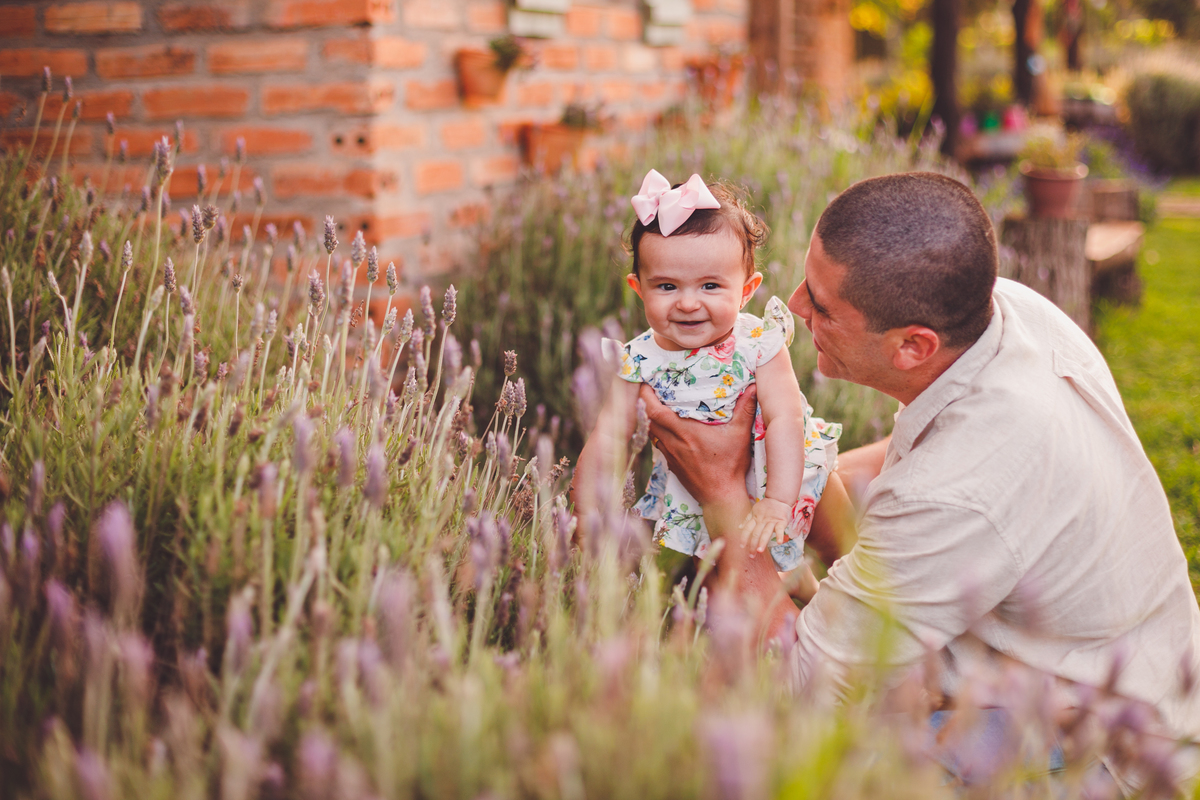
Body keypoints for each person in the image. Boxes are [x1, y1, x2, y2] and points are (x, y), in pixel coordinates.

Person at [639, 172, 1200, 794]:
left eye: (822, 304)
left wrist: (721, 489)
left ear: (912, 346)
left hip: (1101, 743)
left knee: (783, 756)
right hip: (1094, 655)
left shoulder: (957, 491)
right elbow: (918, 455)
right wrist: (799, 474)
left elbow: (802, 685)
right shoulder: (1001, 312)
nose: (794, 304)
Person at [573, 169, 853, 600]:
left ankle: (866, 599)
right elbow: (608, 438)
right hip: (703, 495)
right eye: (666, 286)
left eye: (710, 286)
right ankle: (798, 617)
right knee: (742, 586)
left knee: (845, 552)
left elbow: (784, 418)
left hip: (792, 472)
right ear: (638, 288)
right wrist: (587, 514)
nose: (688, 302)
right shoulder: (638, 361)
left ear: (746, 291)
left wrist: (779, 501)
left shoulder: (759, 342)